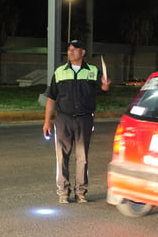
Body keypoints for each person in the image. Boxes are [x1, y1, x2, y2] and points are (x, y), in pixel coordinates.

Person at [43, 39, 111, 204]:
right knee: (62, 157)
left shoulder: (92, 70)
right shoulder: (60, 72)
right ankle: (63, 192)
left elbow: (103, 87)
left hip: (84, 120)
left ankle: (81, 192)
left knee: (82, 158)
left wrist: (105, 86)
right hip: (63, 119)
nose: (71, 52)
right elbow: (51, 97)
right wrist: (46, 122)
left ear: (83, 52)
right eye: (69, 49)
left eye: (75, 49)